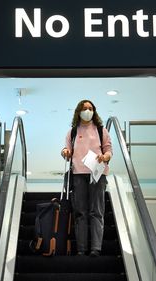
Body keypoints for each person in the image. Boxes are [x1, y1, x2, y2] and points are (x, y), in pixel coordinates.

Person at [61, 99, 112, 257]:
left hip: (97, 172)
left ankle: (95, 248)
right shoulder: (73, 132)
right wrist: (65, 152)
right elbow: (66, 149)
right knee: (80, 212)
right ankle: (82, 249)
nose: (88, 111)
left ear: (94, 111)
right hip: (78, 174)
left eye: (90, 108)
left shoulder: (101, 130)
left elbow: (109, 151)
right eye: (85, 108)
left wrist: (105, 157)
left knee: (96, 211)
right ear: (78, 111)